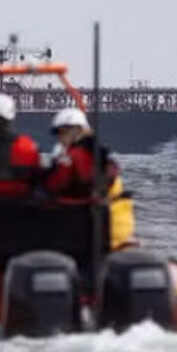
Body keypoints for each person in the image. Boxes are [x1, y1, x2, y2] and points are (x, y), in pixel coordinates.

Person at [44, 106, 137, 248]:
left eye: (63, 133)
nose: (60, 138)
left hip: (99, 231)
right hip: (120, 228)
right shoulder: (100, 155)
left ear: (76, 131)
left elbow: (54, 185)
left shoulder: (73, 157)